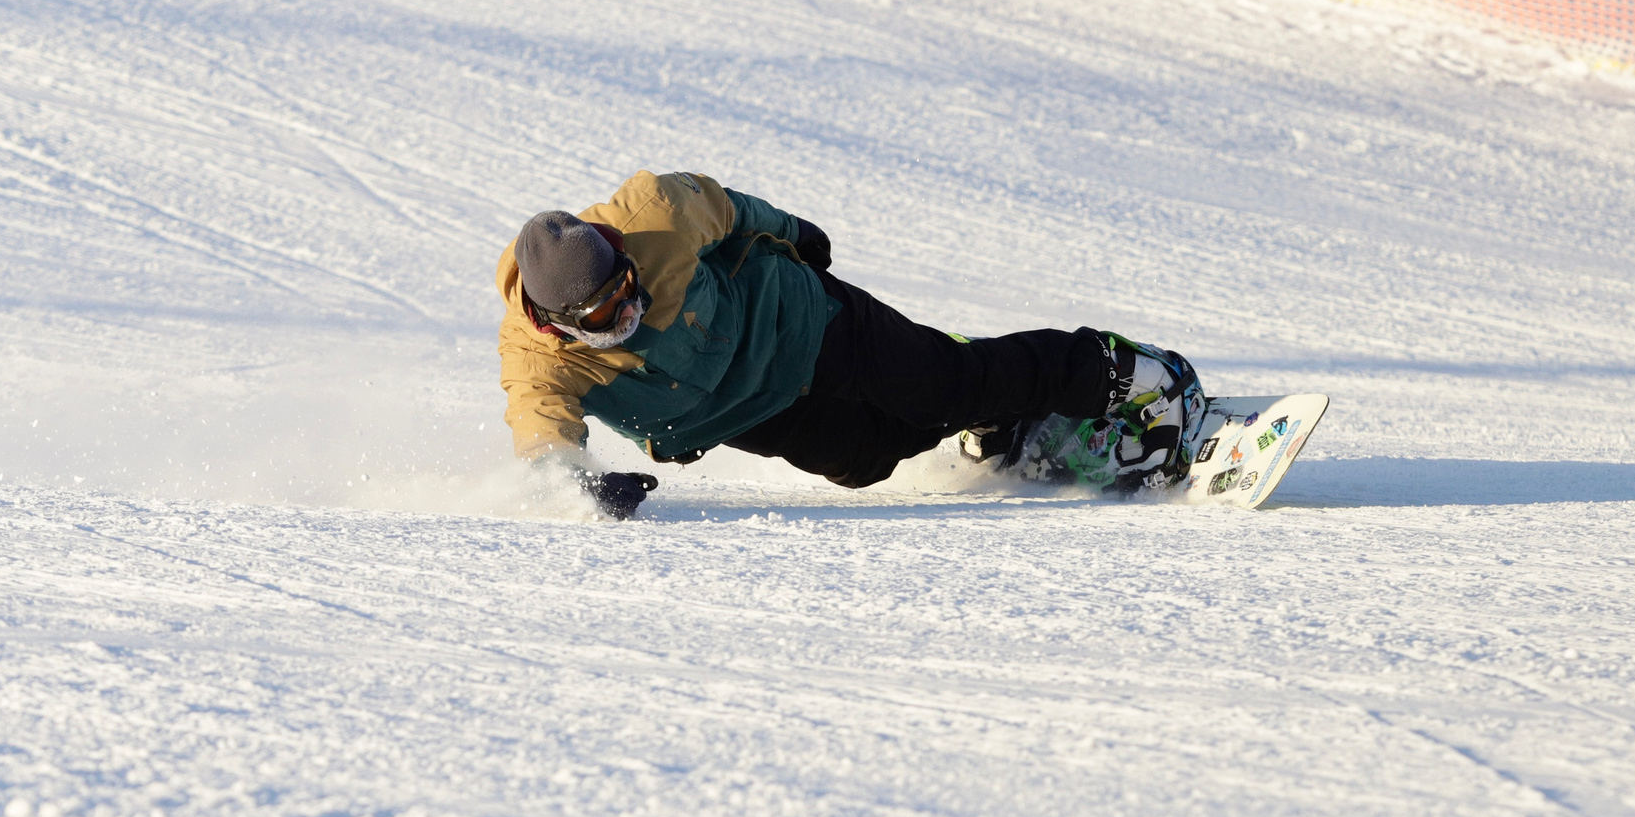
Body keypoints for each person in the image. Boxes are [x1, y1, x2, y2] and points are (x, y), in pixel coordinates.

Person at [497, 170, 1197, 519]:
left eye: (626, 288)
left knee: (945, 383)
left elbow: (737, 212)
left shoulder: (655, 213)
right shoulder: (536, 363)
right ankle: (1003, 422)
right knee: (867, 461)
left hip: (801, 321)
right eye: (601, 316)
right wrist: (583, 492)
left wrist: (798, 234)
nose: (625, 311)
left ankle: (1130, 375)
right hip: (747, 412)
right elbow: (543, 446)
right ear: (557, 321)